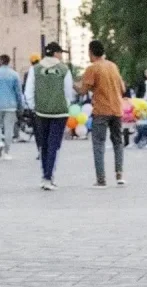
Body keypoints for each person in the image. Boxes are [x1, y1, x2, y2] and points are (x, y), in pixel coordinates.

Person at [75, 40, 126, 188]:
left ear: (91, 52)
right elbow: (122, 88)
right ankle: (119, 174)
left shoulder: (93, 68)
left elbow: (83, 90)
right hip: (117, 109)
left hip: (101, 110)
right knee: (118, 141)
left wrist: (72, 84)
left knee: (98, 143)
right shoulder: (113, 66)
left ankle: (101, 178)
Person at [24, 42, 73, 190]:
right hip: (59, 112)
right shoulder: (64, 70)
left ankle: (44, 175)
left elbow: (28, 91)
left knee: (43, 145)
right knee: (54, 145)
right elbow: (68, 92)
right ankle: (48, 176)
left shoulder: (35, 69)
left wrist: (34, 107)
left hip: (41, 112)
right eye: (60, 53)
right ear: (56, 53)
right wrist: (65, 104)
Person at [0, 54, 23, 161]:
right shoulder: (14, 75)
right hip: (11, 105)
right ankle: (7, 152)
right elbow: (18, 92)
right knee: (8, 129)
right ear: (8, 62)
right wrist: (20, 106)